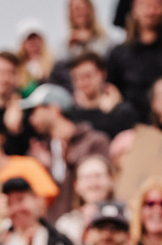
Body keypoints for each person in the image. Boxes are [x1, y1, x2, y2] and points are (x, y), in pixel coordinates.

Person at [19, 83, 111, 223]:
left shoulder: (95, 141)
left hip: (90, 224)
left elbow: (103, 186)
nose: (31, 119)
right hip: (53, 230)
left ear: (54, 109)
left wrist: (70, 160)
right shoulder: (39, 151)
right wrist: (43, 169)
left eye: (35, 111)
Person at [64, 52, 140, 139]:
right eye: (77, 78)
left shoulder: (122, 112)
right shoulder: (71, 114)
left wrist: (105, 113)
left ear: (102, 73)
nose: (82, 83)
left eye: (87, 76)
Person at [55, 154, 116, 245]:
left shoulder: (129, 216)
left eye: (98, 176)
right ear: (76, 185)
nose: (93, 183)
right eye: (86, 178)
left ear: (112, 180)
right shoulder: (65, 224)